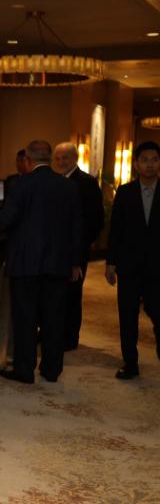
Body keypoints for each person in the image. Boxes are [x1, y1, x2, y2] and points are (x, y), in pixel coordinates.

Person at [0, 140, 82, 384]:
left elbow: (7, 218)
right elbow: (76, 226)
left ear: (27, 159)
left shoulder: (21, 183)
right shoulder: (68, 186)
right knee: (54, 318)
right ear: (49, 158)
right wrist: (75, 261)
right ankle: (51, 369)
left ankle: (24, 369)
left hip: (26, 262)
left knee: (25, 317)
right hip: (58, 263)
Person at [105, 141, 160, 379]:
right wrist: (110, 262)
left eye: (154, 159)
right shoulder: (125, 192)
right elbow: (116, 229)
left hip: (158, 267)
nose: (150, 164)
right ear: (136, 164)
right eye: (145, 160)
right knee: (127, 316)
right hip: (129, 265)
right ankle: (130, 362)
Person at [52, 142, 104, 351]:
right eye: (57, 158)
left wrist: (82, 245)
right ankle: (53, 333)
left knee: (73, 294)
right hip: (54, 249)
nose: (61, 162)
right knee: (55, 294)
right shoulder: (55, 181)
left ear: (75, 158)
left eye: (65, 157)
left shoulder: (87, 182)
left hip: (77, 249)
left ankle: (70, 338)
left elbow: (96, 220)